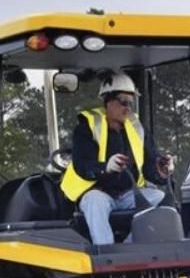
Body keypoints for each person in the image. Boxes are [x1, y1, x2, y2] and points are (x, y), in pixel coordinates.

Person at [60, 72, 174, 245]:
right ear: (108, 101)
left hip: (129, 194)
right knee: (95, 202)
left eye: (131, 103)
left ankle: (129, 248)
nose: (128, 108)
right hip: (98, 192)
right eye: (123, 102)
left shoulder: (137, 129)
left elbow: (149, 167)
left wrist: (162, 170)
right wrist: (106, 167)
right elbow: (82, 165)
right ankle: (106, 252)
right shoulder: (87, 127)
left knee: (159, 198)